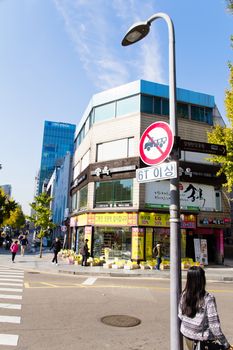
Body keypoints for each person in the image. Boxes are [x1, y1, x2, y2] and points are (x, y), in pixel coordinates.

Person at [179, 266, 233, 350]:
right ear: (202, 280)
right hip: (202, 342)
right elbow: (215, 327)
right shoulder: (208, 298)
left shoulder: (184, 295)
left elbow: (180, 315)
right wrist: (226, 345)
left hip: (187, 336)